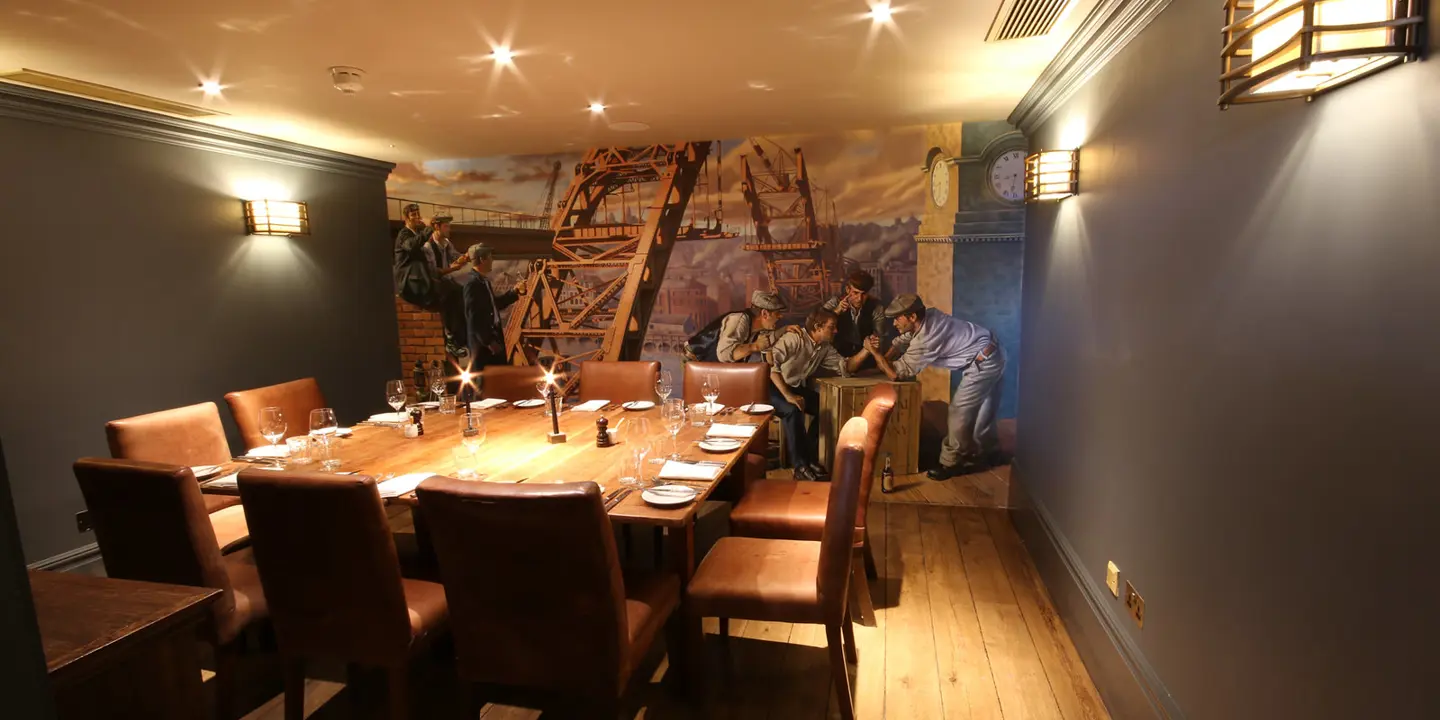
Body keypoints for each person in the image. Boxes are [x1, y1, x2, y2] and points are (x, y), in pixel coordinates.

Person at [865, 293, 1005, 479]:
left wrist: (875, 354)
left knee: (959, 410)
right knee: (984, 409)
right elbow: (902, 341)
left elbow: (897, 375)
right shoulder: (927, 316)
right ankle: (990, 451)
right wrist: (885, 359)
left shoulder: (926, 338)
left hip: (984, 362)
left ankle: (952, 463)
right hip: (992, 352)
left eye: (897, 318)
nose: (894, 323)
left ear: (912, 317)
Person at [769, 308, 869, 481]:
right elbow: (770, 366)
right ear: (817, 327)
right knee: (793, 410)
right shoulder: (793, 338)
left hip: (794, 387)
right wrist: (787, 395)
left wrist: (866, 350)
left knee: (826, 408)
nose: (836, 331)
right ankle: (800, 467)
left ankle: (809, 458)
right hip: (771, 386)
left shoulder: (824, 347)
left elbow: (845, 367)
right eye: (832, 327)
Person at [462, 243, 526, 370]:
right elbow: (473, 319)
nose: (492, 260)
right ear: (482, 259)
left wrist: (515, 292)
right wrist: (489, 342)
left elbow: (493, 306)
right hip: (484, 347)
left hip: (493, 340)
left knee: (497, 379)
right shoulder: (472, 284)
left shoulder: (483, 281)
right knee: (484, 384)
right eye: (490, 257)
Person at [822, 269, 889, 359]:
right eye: (855, 293)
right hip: (837, 354)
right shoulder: (835, 302)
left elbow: (880, 336)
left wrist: (875, 340)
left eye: (864, 294)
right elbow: (819, 324)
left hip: (865, 355)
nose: (859, 299)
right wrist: (836, 312)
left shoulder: (876, 307)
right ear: (847, 290)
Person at [715, 291, 790, 363]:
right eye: (777, 313)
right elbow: (723, 354)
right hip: (712, 372)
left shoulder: (759, 328)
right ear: (764, 314)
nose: (781, 316)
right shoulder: (738, 320)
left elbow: (767, 344)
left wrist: (785, 329)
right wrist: (755, 346)